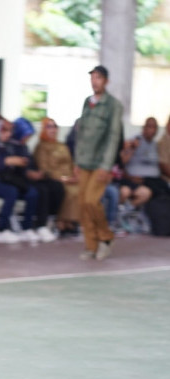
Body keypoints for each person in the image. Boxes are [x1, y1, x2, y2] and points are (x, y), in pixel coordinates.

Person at [74, 65, 122, 260]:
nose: (95, 81)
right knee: (82, 204)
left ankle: (106, 237)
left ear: (106, 81)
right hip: (84, 161)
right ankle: (91, 246)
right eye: (92, 78)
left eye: (99, 78)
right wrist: (77, 161)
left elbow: (113, 136)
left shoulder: (113, 105)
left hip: (101, 163)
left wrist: (106, 165)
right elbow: (81, 133)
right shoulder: (88, 102)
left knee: (92, 201)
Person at [0, 114, 39, 244]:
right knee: (11, 191)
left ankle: (26, 228)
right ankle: (2, 229)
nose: (8, 134)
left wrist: (20, 163)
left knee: (31, 192)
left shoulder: (4, 145)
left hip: (5, 180)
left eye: (10, 131)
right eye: (5, 131)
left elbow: (9, 169)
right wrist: (6, 161)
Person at [11, 117, 61, 242]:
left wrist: (35, 173)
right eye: (26, 135)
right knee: (38, 191)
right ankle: (33, 226)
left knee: (54, 187)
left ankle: (45, 223)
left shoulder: (23, 147)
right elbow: (12, 170)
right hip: (17, 181)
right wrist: (27, 173)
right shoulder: (11, 147)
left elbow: (30, 163)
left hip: (28, 179)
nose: (27, 139)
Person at [34, 117, 80, 234]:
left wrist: (75, 174)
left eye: (55, 126)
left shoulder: (62, 146)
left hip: (69, 177)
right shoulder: (41, 147)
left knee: (80, 188)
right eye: (49, 127)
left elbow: (70, 163)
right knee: (69, 190)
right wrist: (63, 179)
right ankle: (62, 223)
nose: (53, 130)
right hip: (55, 179)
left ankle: (71, 222)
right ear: (44, 129)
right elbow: (44, 168)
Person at [118, 117, 168, 209]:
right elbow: (122, 163)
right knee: (145, 192)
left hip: (153, 179)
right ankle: (125, 212)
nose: (152, 130)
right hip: (136, 179)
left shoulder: (155, 144)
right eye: (149, 127)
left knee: (164, 189)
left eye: (154, 128)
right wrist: (132, 148)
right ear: (143, 128)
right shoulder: (134, 141)